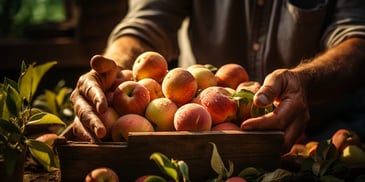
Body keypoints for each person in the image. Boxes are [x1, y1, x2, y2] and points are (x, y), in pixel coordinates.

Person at [71, 0, 365, 152]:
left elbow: (357, 37)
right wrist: (114, 73)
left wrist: (306, 81)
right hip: (198, 142)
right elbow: (145, 23)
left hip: (322, 140)